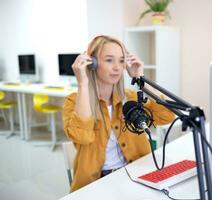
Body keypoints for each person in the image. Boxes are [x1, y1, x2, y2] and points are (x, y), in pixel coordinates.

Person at [63, 35, 175, 192]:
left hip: (135, 174)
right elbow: (83, 136)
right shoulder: (75, 101)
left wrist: (140, 79)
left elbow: (167, 116)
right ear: (92, 63)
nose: (117, 67)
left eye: (121, 61)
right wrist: (83, 83)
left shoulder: (130, 98)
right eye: (109, 60)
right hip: (96, 184)